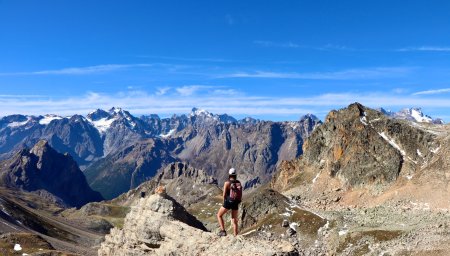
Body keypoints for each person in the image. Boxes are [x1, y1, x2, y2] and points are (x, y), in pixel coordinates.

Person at [216, 168, 242, 236]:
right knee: (234, 219)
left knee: (219, 215)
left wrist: (224, 203)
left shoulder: (227, 183)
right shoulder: (238, 182)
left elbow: (224, 194)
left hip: (228, 202)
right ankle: (235, 235)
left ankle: (223, 231)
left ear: (229, 175)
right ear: (235, 175)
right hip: (236, 202)